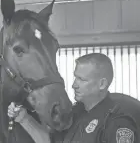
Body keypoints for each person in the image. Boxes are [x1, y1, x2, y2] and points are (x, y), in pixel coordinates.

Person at [8, 53, 140, 143]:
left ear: (102, 84)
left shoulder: (116, 121)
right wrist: (24, 119)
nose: (73, 85)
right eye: (75, 77)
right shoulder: (75, 113)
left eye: (82, 79)